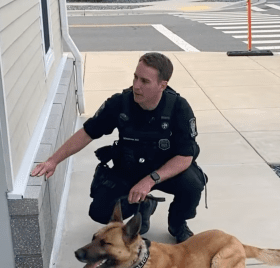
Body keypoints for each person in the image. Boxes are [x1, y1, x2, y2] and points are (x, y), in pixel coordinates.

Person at [31, 52, 207, 243]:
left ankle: (177, 223)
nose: (136, 85)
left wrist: (150, 180)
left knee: (193, 184)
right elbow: (88, 132)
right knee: (99, 212)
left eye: (145, 81)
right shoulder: (119, 103)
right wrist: (53, 160)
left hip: (162, 171)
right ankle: (144, 205)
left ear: (162, 85)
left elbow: (185, 156)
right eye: (135, 77)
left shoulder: (178, 108)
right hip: (129, 169)